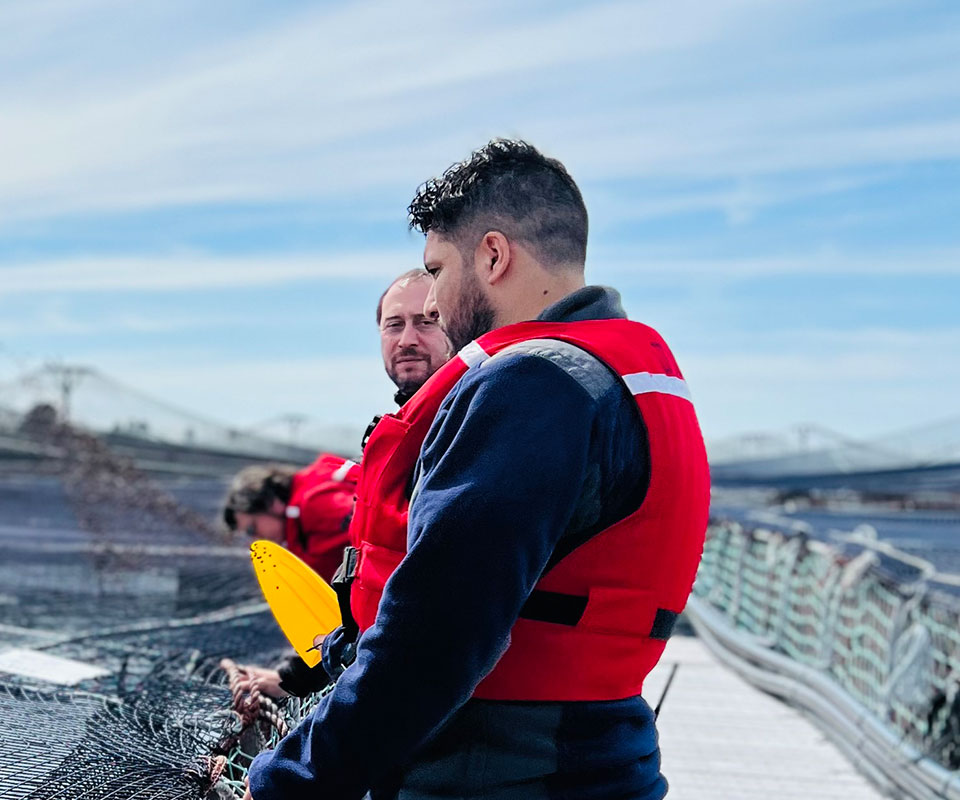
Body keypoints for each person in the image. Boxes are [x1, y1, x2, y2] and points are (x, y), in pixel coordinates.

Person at [247, 139, 709, 800]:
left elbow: (433, 636)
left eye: (437, 270)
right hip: (601, 754)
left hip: (497, 770)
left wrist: (289, 781)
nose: (434, 296)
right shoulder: (630, 375)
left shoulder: (532, 382)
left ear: (493, 255)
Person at [220, 268, 452, 707]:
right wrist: (299, 675)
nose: (407, 338)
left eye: (427, 320)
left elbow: (394, 579)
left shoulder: (320, 504)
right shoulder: (408, 428)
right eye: (393, 324)